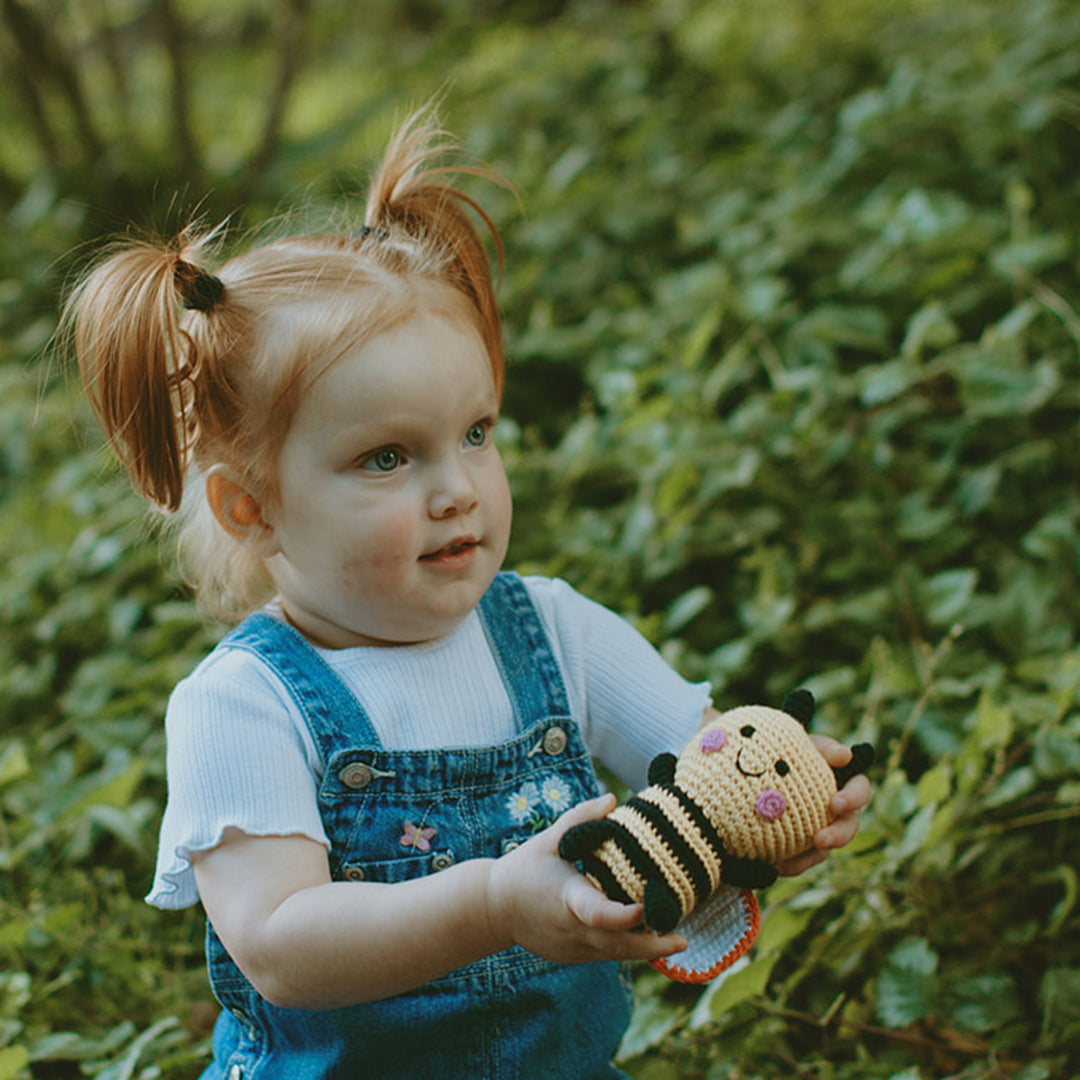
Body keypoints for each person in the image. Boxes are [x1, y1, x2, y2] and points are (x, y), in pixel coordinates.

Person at [62, 107, 872, 1079]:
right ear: (253, 509)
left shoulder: (554, 632)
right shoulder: (244, 706)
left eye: (476, 433)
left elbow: (703, 760)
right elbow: (280, 945)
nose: (456, 489)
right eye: (387, 457)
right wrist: (492, 904)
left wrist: (776, 799)